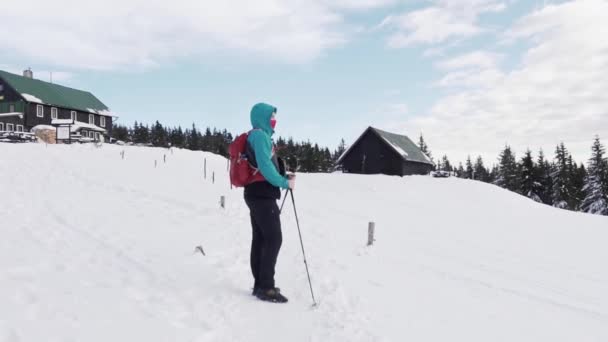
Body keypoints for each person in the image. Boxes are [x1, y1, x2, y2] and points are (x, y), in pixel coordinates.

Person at [244, 102, 295, 303]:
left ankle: (260, 284)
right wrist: (284, 182)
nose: (274, 120)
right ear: (263, 117)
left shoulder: (256, 135)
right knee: (274, 238)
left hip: (255, 193)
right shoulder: (261, 137)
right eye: (271, 116)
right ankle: (266, 287)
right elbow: (265, 167)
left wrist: (282, 174)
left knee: (261, 239)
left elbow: (264, 165)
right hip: (262, 195)